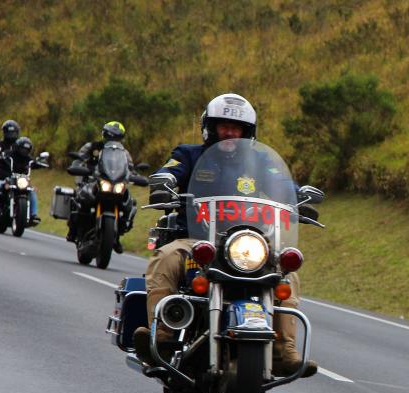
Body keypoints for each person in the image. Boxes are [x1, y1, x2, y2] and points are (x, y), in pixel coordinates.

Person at [132, 93, 317, 377]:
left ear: (247, 132)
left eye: (237, 127)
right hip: (196, 238)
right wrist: (165, 180)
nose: (230, 132)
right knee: (167, 257)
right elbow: (169, 170)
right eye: (224, 126)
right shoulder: (188, 154)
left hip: (246, 244)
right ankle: (163, 336)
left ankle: (283, 350)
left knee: (287, 273)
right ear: (210, 127)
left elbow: (281, 183)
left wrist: (298, 194)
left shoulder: (259, 161)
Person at [66, 121, 136, 251]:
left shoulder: (123, 153)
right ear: (104, 135)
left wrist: (134, 175)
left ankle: (117, 235)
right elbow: (80, 158)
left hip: (114, 182)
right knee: (79, 196)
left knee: (130, 202)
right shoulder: (92, 146)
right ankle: (73, 230)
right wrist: (77, 166)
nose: (113, 140)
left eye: (116, 137)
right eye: (110, 136)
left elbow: (130, 167)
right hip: (93, 180)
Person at [0, 136, 41, 225]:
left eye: (26, 150)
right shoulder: (8, 154)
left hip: (22, 181)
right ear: (17, 147)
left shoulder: (29, 159)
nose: (24, 151)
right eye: (22, 149)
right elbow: (0, 156)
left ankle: (34, 215)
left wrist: (40, 162)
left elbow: (35, 163)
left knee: (32, 191)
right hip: (8, 179)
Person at [0, 120, 21, 191]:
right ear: (4, 132)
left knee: (30, 190)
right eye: (10, 133)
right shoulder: (0, 145)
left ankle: (33, 202)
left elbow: (27, 157)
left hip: (19, 174)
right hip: (4, 173)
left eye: (14, 132)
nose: (12, 135)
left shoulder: (20, 146)